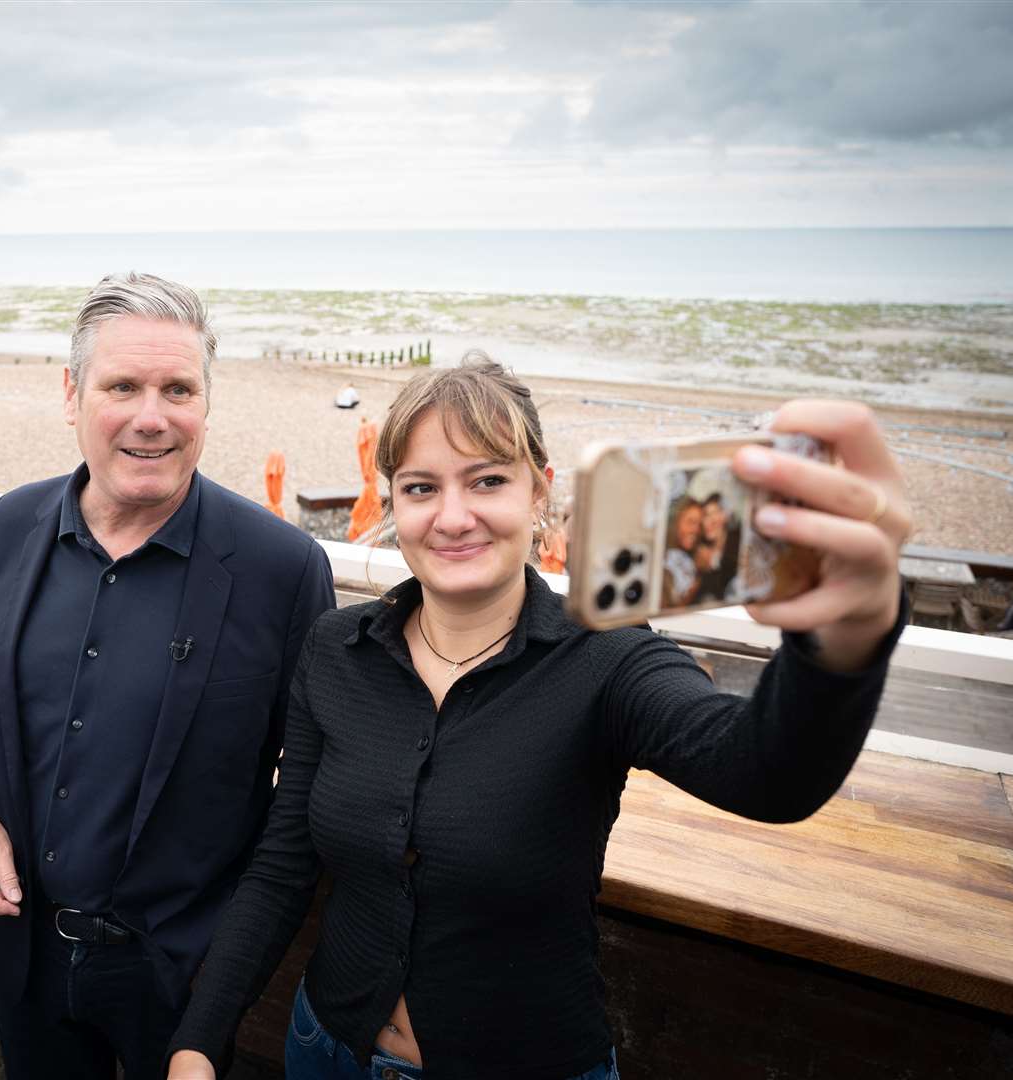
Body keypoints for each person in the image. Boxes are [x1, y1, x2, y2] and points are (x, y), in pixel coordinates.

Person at [166, 361, 909, 1080]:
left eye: (488, 480)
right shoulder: (337, 650)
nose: (454, 516)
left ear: (539, 493)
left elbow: (765, 775)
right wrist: (199, 1042)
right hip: (326, 1049)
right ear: (394, 505)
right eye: (422, 488)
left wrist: (840, 640)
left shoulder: (608, 659)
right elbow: (283, 863)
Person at [0, 272, 336, 1080]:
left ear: (206, 402)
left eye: (177, 389)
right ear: (71, 393)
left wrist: (218, 985)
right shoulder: (12, 523)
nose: (151, 417)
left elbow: (301, 794)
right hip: (25, 949)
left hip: (180, 976)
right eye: (122, 386)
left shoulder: (283, 568)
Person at [695, 492, 741, 602]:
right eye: (706, 515)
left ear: (725, 516)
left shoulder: (737, 546)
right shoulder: (700, 551)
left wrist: (714, 561)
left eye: (714, 513)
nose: (708, 522)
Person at [662, 494, 702, 607]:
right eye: (690, 522)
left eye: (699, 524)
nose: (696, 530)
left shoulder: (690, 560)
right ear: (676, 521)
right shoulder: (660, 559)